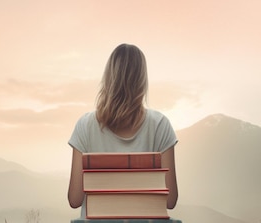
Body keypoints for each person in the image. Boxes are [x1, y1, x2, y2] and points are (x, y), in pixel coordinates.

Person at [67, 43, 178, 211]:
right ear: (142, 80)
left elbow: (75, 199)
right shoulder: (160, 125)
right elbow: (170, 201)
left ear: (108, 78)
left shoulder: (85, 125)